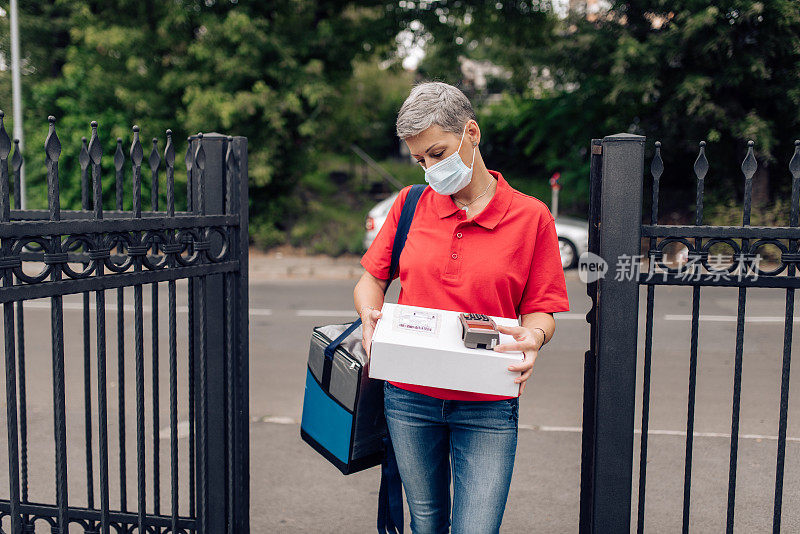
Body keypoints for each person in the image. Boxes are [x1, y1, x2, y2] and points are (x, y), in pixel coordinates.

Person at [353, 81, 570, 533]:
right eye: (420, 160)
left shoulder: (531, 218)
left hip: (487, 401)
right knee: (426, 521)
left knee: (476, 528)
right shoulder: (410, 205)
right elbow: (371, 280)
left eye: (437, 152)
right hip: (410, 395)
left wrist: (534, 337)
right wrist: (369, 316)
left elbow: (542, 309)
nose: (430, 168)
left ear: (471, 132)